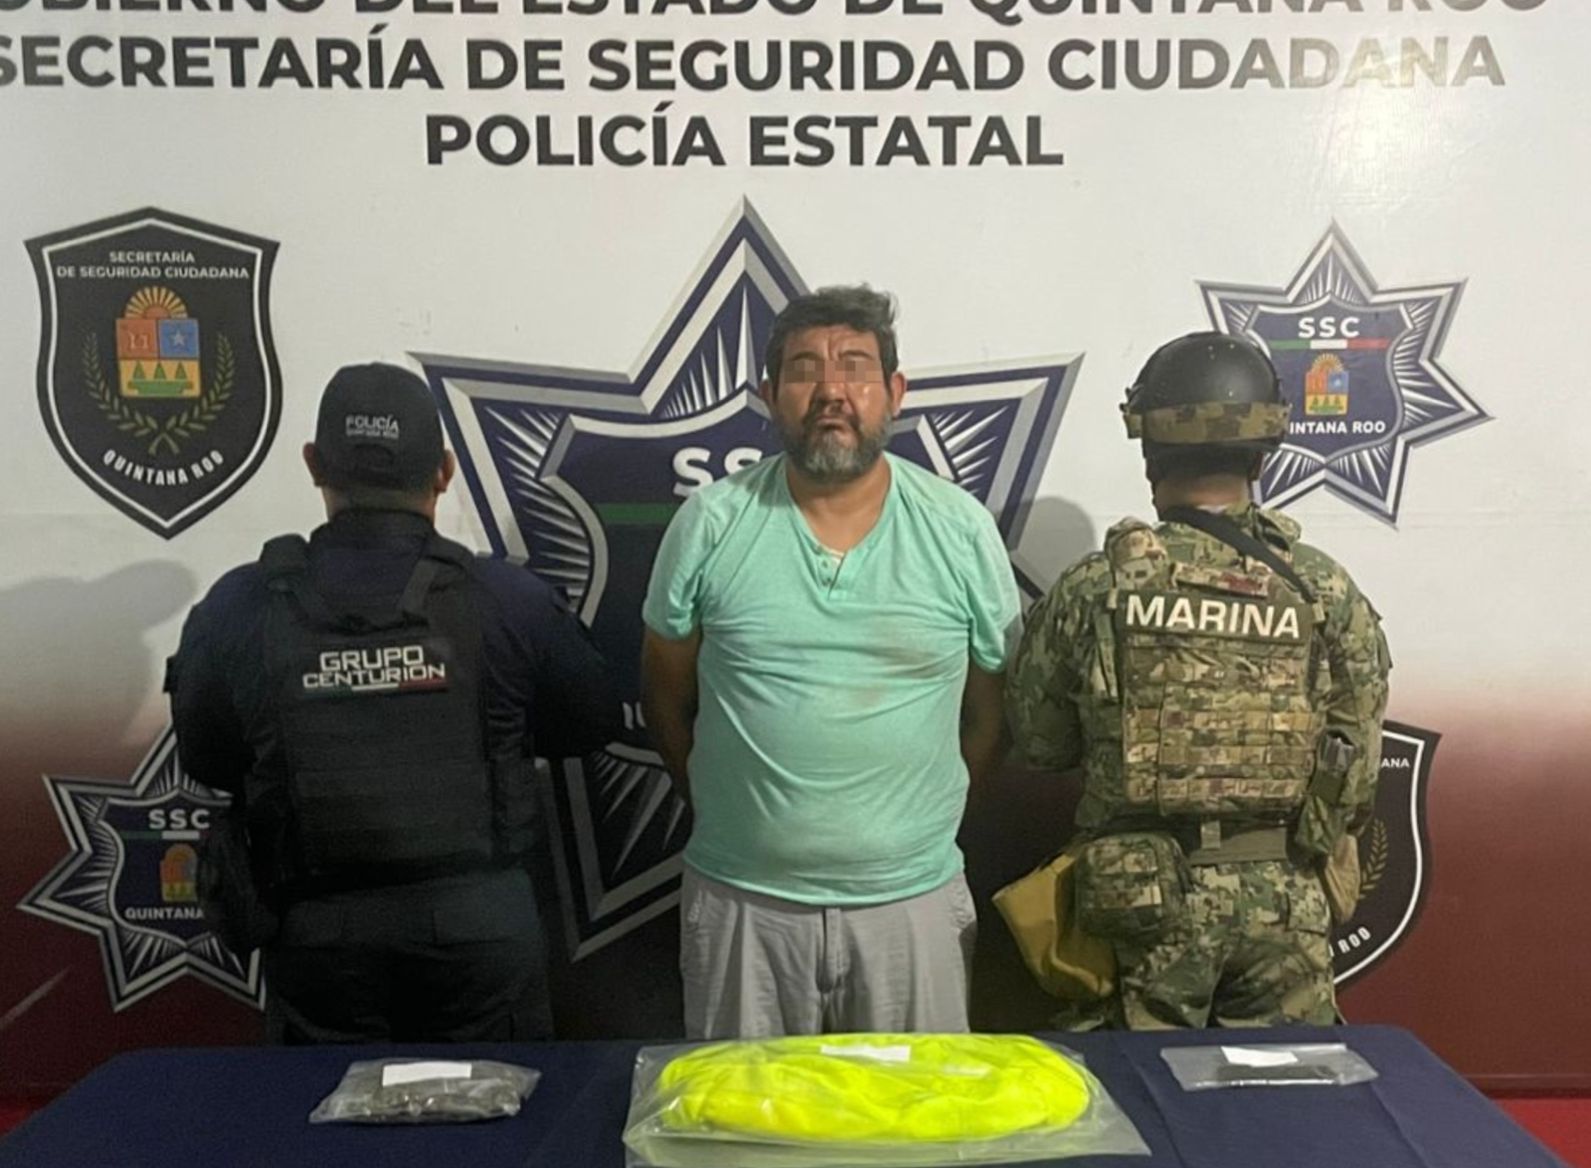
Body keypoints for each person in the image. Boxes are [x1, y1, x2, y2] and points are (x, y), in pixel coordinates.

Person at [168, 362, 622, 1043]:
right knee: (496, 1108)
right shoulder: (508, 599)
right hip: (478, 929)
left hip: (317, 935)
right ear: (444, 471)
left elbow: (207, 758)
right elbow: (590, 723)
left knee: (327, 1111)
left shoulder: (241, 604)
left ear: (314, 464)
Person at [641, 286, 1020, 1038]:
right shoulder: (711, 523)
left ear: (895, 393)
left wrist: (908, 831)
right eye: (805, 369)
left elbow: (991, 716)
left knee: (911, 1113)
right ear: (769, 395)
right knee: (744, 1113)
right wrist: (743, 818)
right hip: (743, 903)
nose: (831, 391)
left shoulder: (959, 531)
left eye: (854, 366)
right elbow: (665, 698)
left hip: (911, 906)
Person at [1006, 332, 1390, 1028]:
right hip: (1285, 906)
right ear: (1262, 451)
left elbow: (1041, 743)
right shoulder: (1321, 587)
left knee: (1137, 1090)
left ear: (1150, 450)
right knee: (1282, 1089)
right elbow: (1357, 767)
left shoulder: (1097, 587)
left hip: (1137, 903)